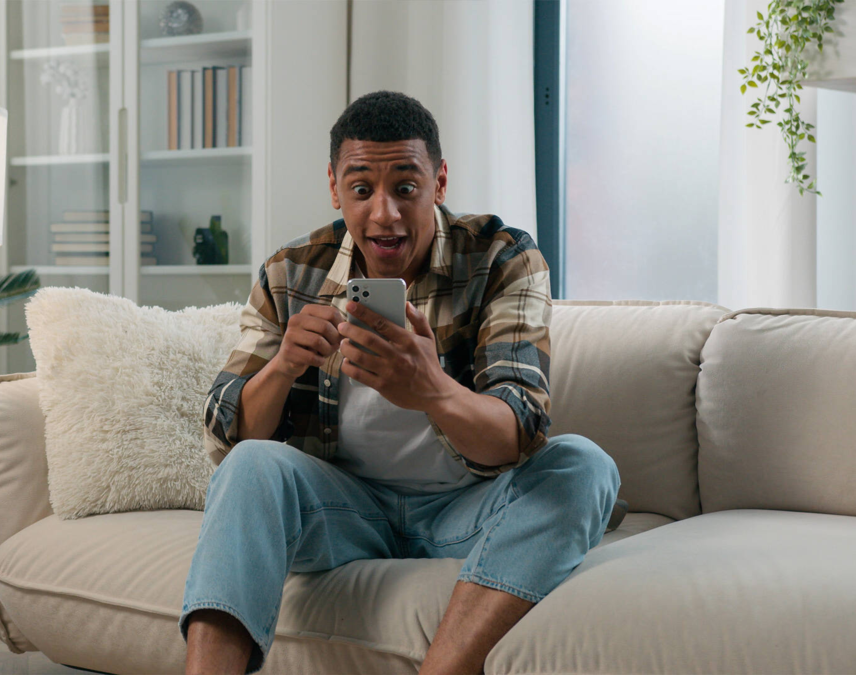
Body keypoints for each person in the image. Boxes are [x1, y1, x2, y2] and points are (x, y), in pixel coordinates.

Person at [180, 90, 622, 675]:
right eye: (362, 189)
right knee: (251, 466)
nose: (384, 214)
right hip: (343, 514)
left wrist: (431, 388)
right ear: (335, 188)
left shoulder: (501, 258)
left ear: (439, 183)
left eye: (406, 188)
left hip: (467, 512)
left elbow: (518, 433)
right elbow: (227, 438)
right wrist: (283, 365)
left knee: (583, 466)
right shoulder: (291, 272)